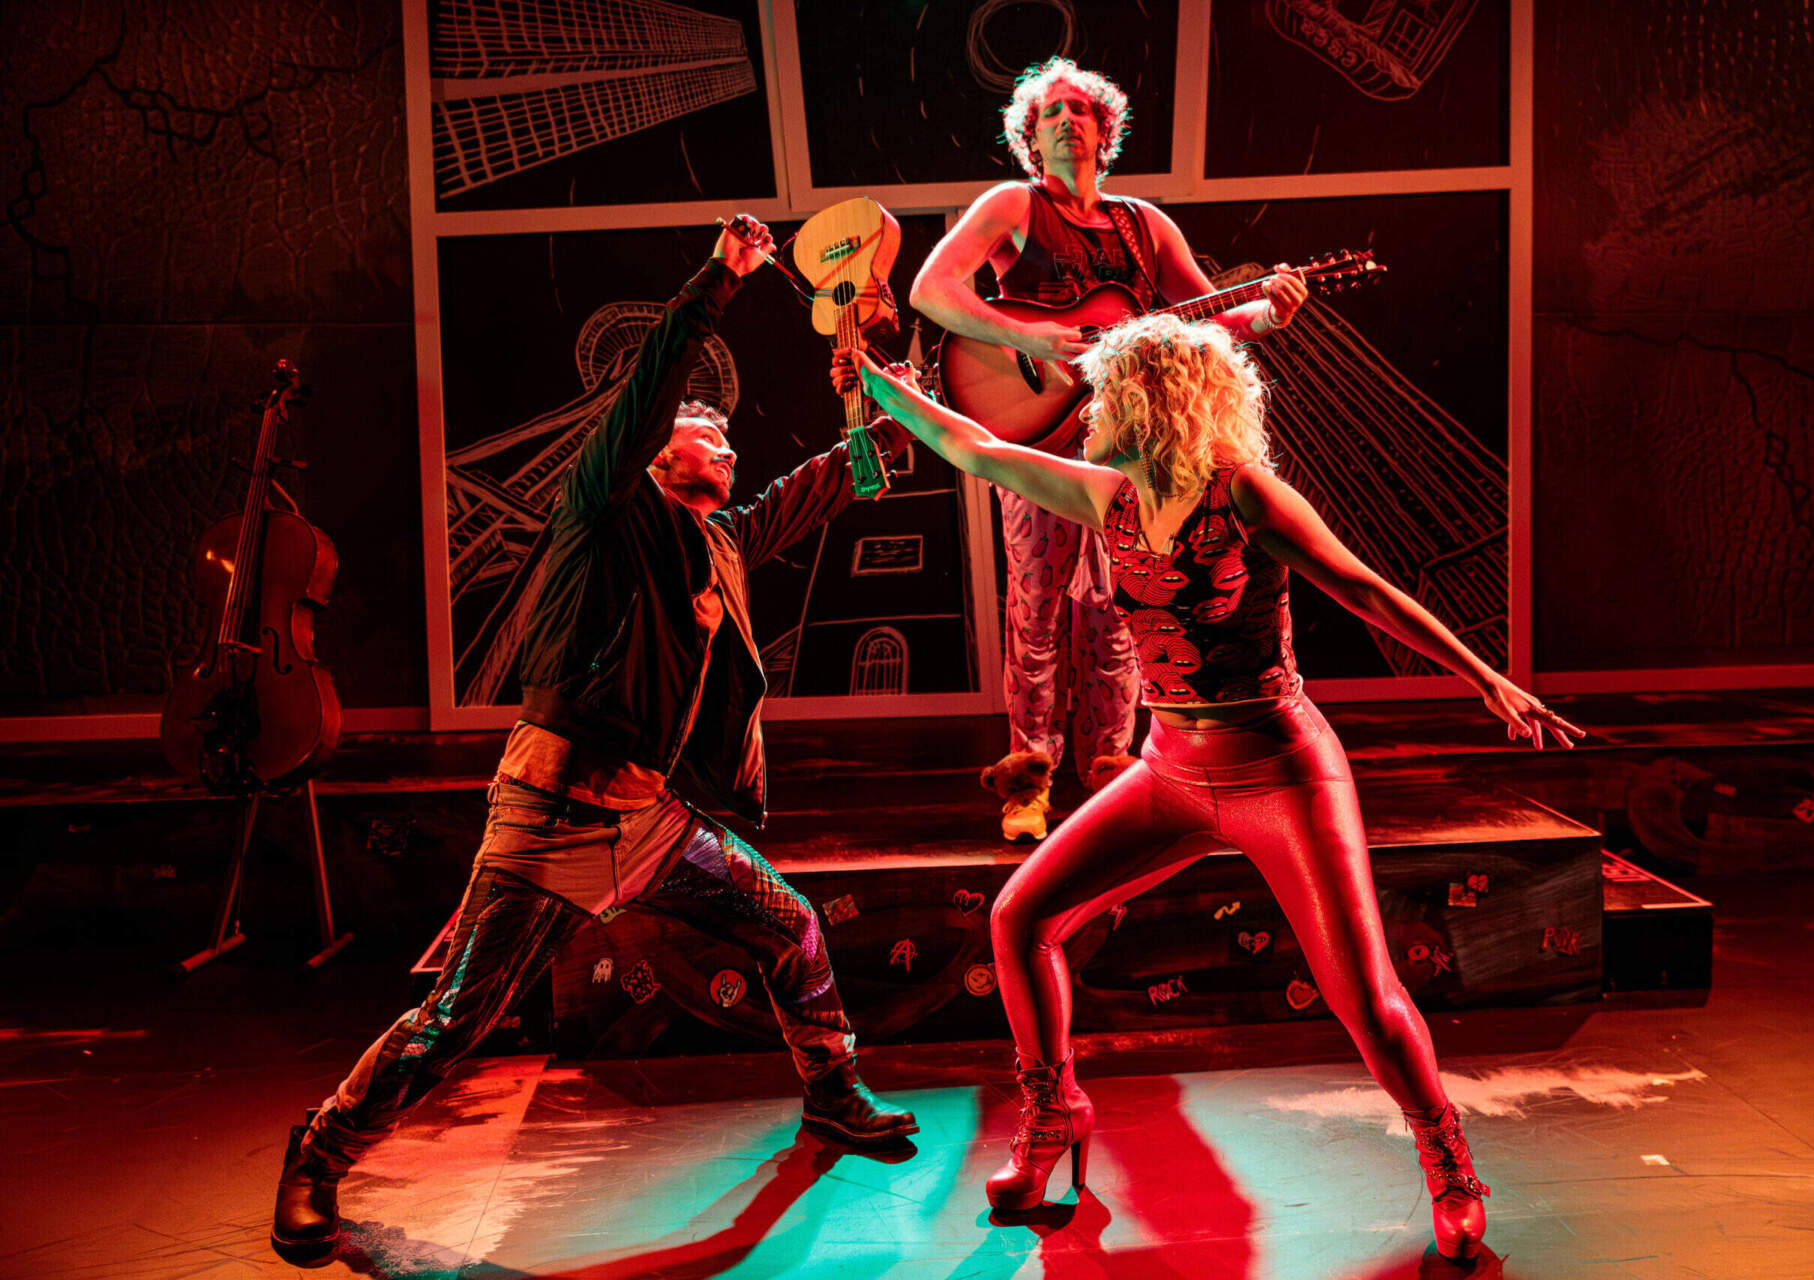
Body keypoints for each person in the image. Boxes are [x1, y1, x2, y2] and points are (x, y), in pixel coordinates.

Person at [833, 316, 1583, 1260]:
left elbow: (1365, 590)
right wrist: (881, 381)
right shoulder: (1104, 497)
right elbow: (972, 447)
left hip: (1280, 771)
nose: (1094, 408)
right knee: (1020, 918)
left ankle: (1448, 1161)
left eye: (1111, 392)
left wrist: (1490, 680)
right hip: (1170, 771)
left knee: (1362, 992)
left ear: (1156, 401)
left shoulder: (1249, 497)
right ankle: (1054, 1109)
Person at [271, 218, 918, 1266]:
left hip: (651, 815)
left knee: (791, 926)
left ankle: (833, 1094)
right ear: (657, 448)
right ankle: (318, 1150)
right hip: (554, 808)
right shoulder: (605, 509)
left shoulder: (723, 540)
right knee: (453, 1025)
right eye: (701, 417)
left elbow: (849, 472)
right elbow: (651, 385)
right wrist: (722, 280)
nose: (721, 424)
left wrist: (873, 381)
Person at [911, 57, 1308, 841]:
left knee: (1120, 613)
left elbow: (1200, 317)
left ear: (1103, 131)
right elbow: (932, 290)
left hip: (1125, 451)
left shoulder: (1145, 224)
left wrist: (1264, 316)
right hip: (1036, 439)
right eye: (1050, 113)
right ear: (1031, 136)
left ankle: (1110, 768)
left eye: (1080, 111)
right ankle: (1028, 778)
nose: (1065, 122)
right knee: (1035, 611)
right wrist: (1023, 333)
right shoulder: (1012, 205)